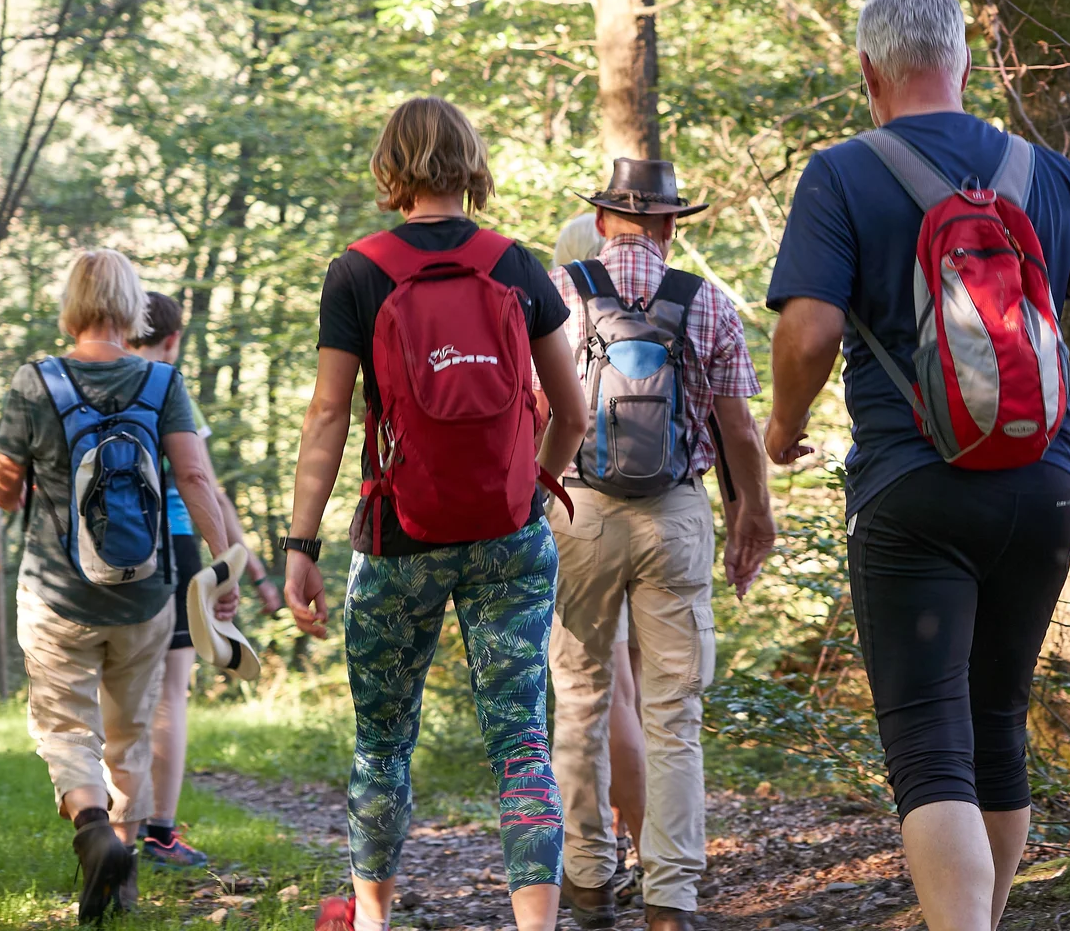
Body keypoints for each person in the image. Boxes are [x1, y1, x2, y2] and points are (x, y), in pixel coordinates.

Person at [763, 0, 1070, 931]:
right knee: (997, 724)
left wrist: (782, 424)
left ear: (867, 73)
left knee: (931, 745)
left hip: (911, 486)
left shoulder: (843, 173)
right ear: (964, 65)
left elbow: (808, 332)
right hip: (1042, 487)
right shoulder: (1045, 174)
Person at [281, 96, 589, 931]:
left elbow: (328, 416)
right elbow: (574, 412)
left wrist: (299, 543)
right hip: (508, 540)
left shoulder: (357, 271)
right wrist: (528, 490)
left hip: (397, 538)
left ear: (391, 167)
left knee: (382, 742)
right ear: (470, 163)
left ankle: (373, 921)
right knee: (521, 743)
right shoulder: (516, 264)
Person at [545, 161, 776, 931]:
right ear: (672, 226)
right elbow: (738, 429)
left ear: (605, 220)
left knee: (579, 698)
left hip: (578, 507)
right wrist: (753, 515)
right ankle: (670, 894)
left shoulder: (560, 290)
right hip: (675, 513)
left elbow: (527, 402)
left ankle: (586, 878)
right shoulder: (704, 300)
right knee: (674, 713)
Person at [0, 249, 238, 925]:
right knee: (129, 732)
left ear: (71, 304)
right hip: (145, 594)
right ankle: (121, 880)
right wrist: (222, 564)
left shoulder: (34, 382)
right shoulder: (162, 383)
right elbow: (195, 479)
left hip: (56, 595)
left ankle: (92, 828)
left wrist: (15, 481)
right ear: (130, 309)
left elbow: (6, 489)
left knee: (66, 726)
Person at [127, 291, 284, 868]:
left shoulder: (99, 382)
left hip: (105, 552)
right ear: (173, 339)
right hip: (174, 548)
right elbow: (205, 486)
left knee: (115, 689)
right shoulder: (168, 387)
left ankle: (111, 823)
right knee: (170, 691)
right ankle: (159, 835)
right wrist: (246, 569)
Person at [551, 212, 647, 901]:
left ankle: (614, 859)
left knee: (600, 700)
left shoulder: (566, 307)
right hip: (664, 512)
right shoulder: (657, 305)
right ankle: (654, 853)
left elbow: (554, 415)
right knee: (644, 700)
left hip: (587, 510)